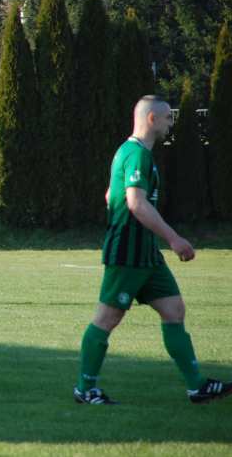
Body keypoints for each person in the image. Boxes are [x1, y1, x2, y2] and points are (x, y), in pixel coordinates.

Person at [74, 95, 232, 405]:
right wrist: (174, 238)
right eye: (167, 119)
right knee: (107, 319)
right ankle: (85, 388)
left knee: (174, 311)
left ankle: (197, 386)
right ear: (151, 120)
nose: (171, 124)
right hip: (128, 253)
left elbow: (110, 195)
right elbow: (135, 202)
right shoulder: (137, 154)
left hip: (146, 253)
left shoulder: (129, 152)